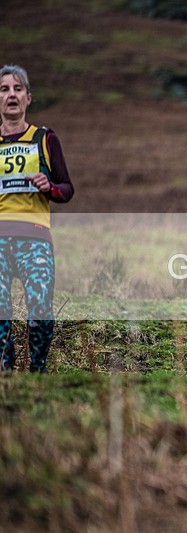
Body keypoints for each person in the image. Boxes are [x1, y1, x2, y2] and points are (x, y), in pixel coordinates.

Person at [0, 64, 74, 373]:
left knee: (41, 308)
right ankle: (5, 369)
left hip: (35, 238)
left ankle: (38, 370)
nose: (11, 95)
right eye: (4, 89)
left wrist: (50, 187)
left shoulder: (45, 139)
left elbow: (67, 189)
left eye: (18, 89)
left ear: (29, 98)